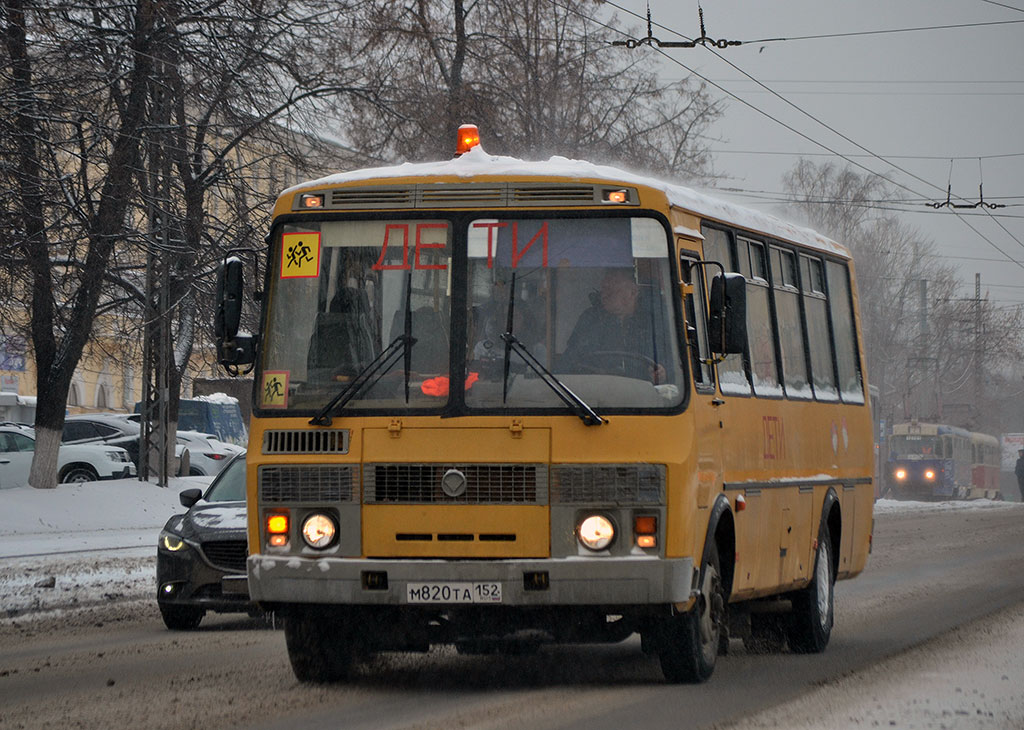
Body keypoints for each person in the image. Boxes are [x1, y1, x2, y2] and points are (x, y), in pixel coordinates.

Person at [562, 268, 666, 383]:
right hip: (597, 390)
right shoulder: (589, 319)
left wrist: (663, 373)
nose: (604, 294)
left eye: (611, 290)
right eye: (603, 289)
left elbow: (674, 362)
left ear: (633, 292)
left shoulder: (655, 320)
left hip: (644, 394)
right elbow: (570, 358)